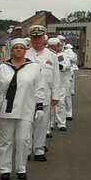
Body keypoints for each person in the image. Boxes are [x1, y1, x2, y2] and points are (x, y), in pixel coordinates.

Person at [0, 38, 45, 180]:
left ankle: (21, 168)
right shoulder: (3, 68)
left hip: (26, 109)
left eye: (21, 48)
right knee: (6, 140)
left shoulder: (33, 68)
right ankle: (5, 169)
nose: (19, 50)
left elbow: (39, 88)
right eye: (16, 47)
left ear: (25, 51)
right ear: (11, 51)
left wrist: (39, 107)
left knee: (23, 139)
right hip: (6, 109)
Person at [25, 25, 62, 161]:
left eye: (39, 37)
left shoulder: (51, 56)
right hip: (27, 95)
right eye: (34, 37)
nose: (37, 40)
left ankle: (39, 149)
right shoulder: (25, 54)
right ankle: (27, 150)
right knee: (27, 124)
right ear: (31, 39)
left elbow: (56, 77)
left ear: (44, 39)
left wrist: (56, 95)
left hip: (46, 95)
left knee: (42, 124)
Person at [48, 37, 71, 132]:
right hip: (49, 83)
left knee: (60, 103)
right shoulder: (46, 55)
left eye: (55, 47)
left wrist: (62, 66)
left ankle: (62, 123)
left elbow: (68, 65)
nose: (53, 49)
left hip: (60, 83)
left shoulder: (62, 55)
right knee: (49, 106)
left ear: (58, 46)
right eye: (51, 47)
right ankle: (50, 123)